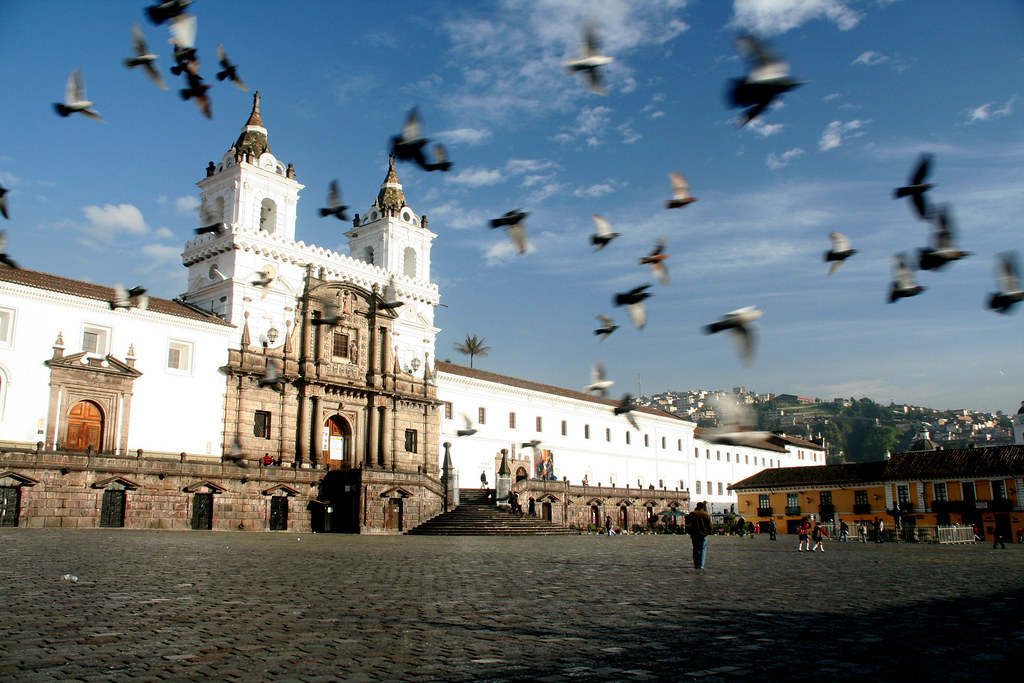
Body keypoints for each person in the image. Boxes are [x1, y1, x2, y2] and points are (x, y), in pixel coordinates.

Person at [686, 502, 712, 569]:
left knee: (695, 549)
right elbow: (710, 526)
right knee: (703, 549)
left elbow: (688, 523)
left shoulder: (693, 514)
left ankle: (696, 564)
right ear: (703, 507)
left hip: (695, 534)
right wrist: (707, 532)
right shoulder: (706, 514)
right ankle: (701, 564)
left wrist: (690, 531)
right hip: (704, 535)